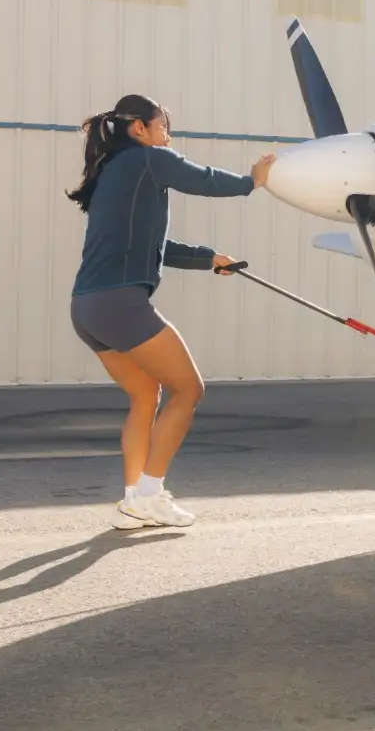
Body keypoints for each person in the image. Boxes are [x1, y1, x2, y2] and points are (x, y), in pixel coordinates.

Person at [65, 94, 275, 529]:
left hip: (87, 307)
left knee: (146, 395)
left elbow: (153, 246)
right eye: (163, 126)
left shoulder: (112, 173)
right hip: (120, 303)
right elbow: (203, 178)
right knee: (189, 390)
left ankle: (133, 502)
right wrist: (252, 181)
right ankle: (151, 493)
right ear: (139, 128)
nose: (168, 135)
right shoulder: (147, 160)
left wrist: (208, 258)